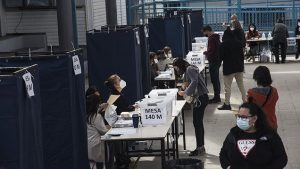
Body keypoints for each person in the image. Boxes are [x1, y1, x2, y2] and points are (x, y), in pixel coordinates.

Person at [219, 102, 288, 169]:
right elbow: (223, 153)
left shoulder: (269, 136)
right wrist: (227, 166)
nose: (240, 119)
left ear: (254, 118)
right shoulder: (233, 134)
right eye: (238, 116)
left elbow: (281, 158)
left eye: (244, 117)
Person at [173, 58, 209, 156]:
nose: (176, 70)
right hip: (201, 98)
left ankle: (200, 147)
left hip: (201, 98)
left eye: (176, 68)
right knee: (197, 122)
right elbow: (189, 82)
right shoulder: (189, 70)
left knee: (197, 123)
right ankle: (200, 146)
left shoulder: (189, 69)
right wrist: (184, 86)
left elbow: (194, 81)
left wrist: (185, 92)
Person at [218, 28, 246, 110]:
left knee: (227, 87)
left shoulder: (223, 44)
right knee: (241, 86)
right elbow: (242, 56)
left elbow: (221, 57)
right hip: (239, 67)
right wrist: (242, 67)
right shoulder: (238, 43)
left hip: (229, 68)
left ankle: (227, 104)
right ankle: (245, 102)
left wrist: (218, 65)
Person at [247, 66, 279, 130]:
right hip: (272, 124)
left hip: (258, 125)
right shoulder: (274, 91)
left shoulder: (251, 93)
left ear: (256, 78)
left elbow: (249, 109)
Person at [86, 87, 109, 169]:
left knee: (92, 165)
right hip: (96, 145)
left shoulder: (88, 115)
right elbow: (104, 131)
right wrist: (110, 128)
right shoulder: (97, 116)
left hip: (89, 144)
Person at [202, 25, 221, 103]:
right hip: (217, 60)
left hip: (213, 61)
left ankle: (217, 98)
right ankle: (217, 96)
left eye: (204, 32)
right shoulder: (216, 37)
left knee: (214, 79)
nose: (204, 34)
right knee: (216, 79)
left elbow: (211, 51)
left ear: (207, 31)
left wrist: (205, 52)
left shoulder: (212, 39)